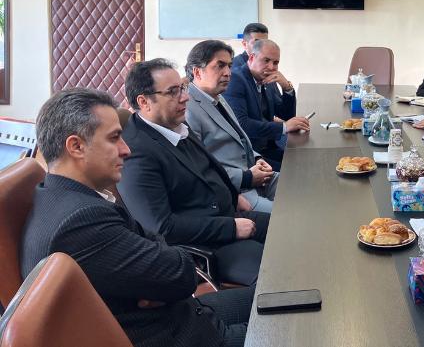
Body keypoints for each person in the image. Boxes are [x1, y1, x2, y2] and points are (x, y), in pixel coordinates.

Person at [20, 88, 253, 347]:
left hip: (183, 314)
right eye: (114, 138)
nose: (126, 149)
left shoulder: (54, 194)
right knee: (287, 328)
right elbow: (182, 275)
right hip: (180, 335)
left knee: (271, 296)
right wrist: (164, 274)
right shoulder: (81, 220)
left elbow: (158, 251)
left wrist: (159, 279)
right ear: (76, 146)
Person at [119, 59, 269, 286]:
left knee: (294, 231)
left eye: (182, 88)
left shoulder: (173, 124)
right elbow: (161, 228)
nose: (185, 97)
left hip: (227, 216)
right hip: (206, 246)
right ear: (144, 102)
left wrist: (232, 194)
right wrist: (230, 228)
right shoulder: (136, 153)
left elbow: (206, 168)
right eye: (172, 92)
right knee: (278, 274)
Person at [186, 40, 278, 213]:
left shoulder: (218, 97)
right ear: (197, 71)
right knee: (291, 214)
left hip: (255, 175)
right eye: (220, 66)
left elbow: (239, 137)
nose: (228, 73)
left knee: (301, 187)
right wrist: (246, 177)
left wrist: (257, 159)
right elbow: (198, 168)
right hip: (237, 190)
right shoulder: (187, 109)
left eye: (229, 66)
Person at [223, 39, 309, 171]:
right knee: (294, 171)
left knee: (305, 160)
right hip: (250, 155)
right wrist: (284, 126)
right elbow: (242, 124)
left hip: (268, 147)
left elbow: (287, 115)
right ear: (252, 57)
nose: (271, 67)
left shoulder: (267, 79)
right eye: (266, 60)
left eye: (276, 63)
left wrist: (286, 87)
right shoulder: (236, 79)